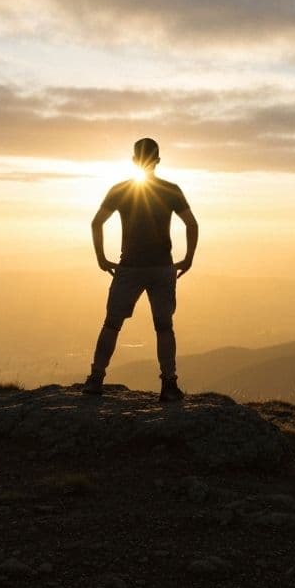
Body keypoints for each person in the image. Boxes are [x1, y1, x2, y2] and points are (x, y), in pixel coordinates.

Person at [83, 138, 198, 402]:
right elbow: (192, 224)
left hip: (130, 267)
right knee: (164, 326)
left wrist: (101, 258)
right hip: (162, 268)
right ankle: (169, 384)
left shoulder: (120, 189)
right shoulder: (171, 190)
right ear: (157, 160)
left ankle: (96, 379)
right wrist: (188, 258)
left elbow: (96, 222)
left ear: (134, 160)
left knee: (112, 323)